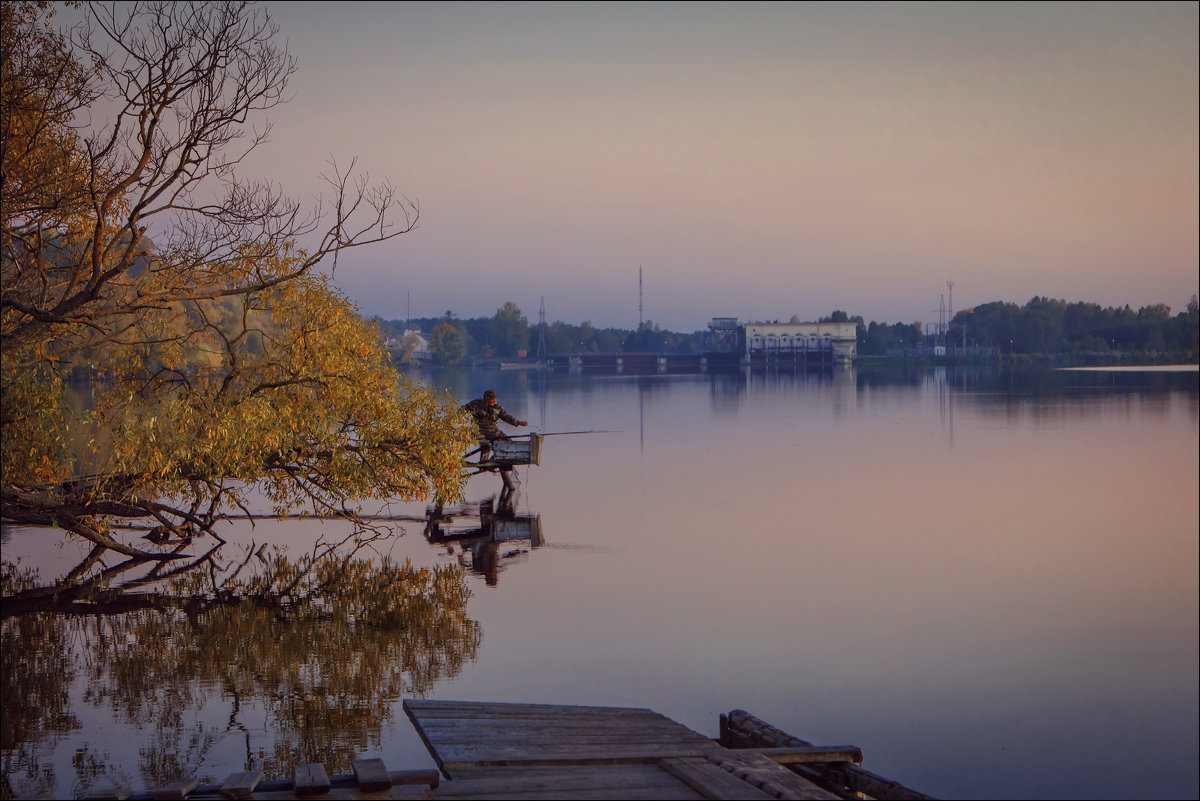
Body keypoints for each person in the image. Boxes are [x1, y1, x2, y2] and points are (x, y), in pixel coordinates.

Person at [461, 390, 527, 457]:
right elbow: (462, 410)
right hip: (479, 432)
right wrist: (460, 420)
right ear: (486, 398)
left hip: (494, 431)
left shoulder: (497, 407)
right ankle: (488, 462)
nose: (494, 401)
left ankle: (504, 460)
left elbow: (506, 417)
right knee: (488, 444)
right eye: (492, 399)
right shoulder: (475, 404)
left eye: (495, 399)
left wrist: (518, 423)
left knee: (508, 441)